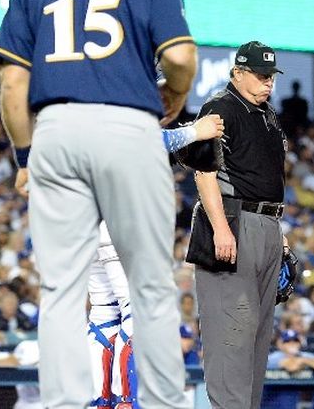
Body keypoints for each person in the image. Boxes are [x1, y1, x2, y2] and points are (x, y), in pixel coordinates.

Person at [0, 0, 197, 405]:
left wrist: (25, 156)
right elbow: (181, 58)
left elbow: (12, 82)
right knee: (149, 285)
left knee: (62, 290)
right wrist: (177, 92)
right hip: (128, 124)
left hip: (56, 128)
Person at [87, 116, 223, 408]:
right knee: (137, 312)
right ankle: (128, 402)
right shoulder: (118, 106)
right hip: (117, 220)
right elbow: (144, 139)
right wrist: (194, 131)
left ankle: (99, 401)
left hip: (87, 220)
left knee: (104, 313)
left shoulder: (81, 109)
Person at [192, 40, 289, 409]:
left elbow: (267, 178)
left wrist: (281, 238)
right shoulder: (220, 107)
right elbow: (204, 172)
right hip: (233, 221)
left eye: (271, 76)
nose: (268, 82)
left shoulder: (268, 114)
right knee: (231, 336)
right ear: (237, 72)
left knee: (257, 341)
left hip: (268, 224)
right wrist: (220, 227)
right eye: (261, 75)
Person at [262, 329, 314, 408]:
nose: (292, 344)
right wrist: (307, 362)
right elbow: (292, 367)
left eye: (295, 341)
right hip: (272, 400)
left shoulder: (303, 355)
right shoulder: (274, 356)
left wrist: (303, 361)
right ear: (280, 344)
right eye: (287, 341)